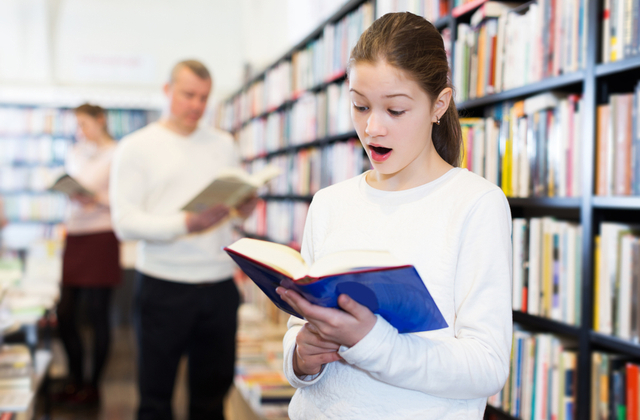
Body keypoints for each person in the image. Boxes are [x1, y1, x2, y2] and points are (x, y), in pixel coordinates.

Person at [275, 12, 513, 420]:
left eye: (396, 111)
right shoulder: (330, 202)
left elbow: (487, 365)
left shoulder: (476, 203)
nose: (372, 129)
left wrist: (370, 342)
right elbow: (299, 330)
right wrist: (299, 357)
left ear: (439, 104)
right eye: (360, 106)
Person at [109, 60, 257, 420]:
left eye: (204, 98)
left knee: (212, 398)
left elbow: (233, 210)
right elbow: (124, 223)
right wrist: (185, 224)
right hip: (164, 285)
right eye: (188, 95)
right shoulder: (136, 147)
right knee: (155, 397)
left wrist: (245, 206)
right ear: (167, 91)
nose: (196, 105)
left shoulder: (223, 144)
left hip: (220, 285)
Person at [56, 103, 122, 406]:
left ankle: (93, 387)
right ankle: (74, 379)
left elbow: (122, 200)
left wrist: (93, 197)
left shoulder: (117, 153)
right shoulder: (76, 152)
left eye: (84, 124)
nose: (80, 131)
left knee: (97, 315)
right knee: (65, 314)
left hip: (102, 236)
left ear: (100, 120)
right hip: (76, 235)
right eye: (77, 125)